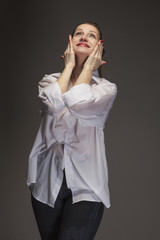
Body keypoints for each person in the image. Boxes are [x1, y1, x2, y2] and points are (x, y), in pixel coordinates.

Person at [26, 21, 117, 240]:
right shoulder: (49, 81)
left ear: (99, 48)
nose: (84, 37)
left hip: (87, 183)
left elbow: (77, 102)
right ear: (70, 42)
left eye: (92, 35)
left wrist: (86, 68)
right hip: (47, 182)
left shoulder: (106, 89)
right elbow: (54, 103)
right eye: (79, 33)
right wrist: (68, 67)